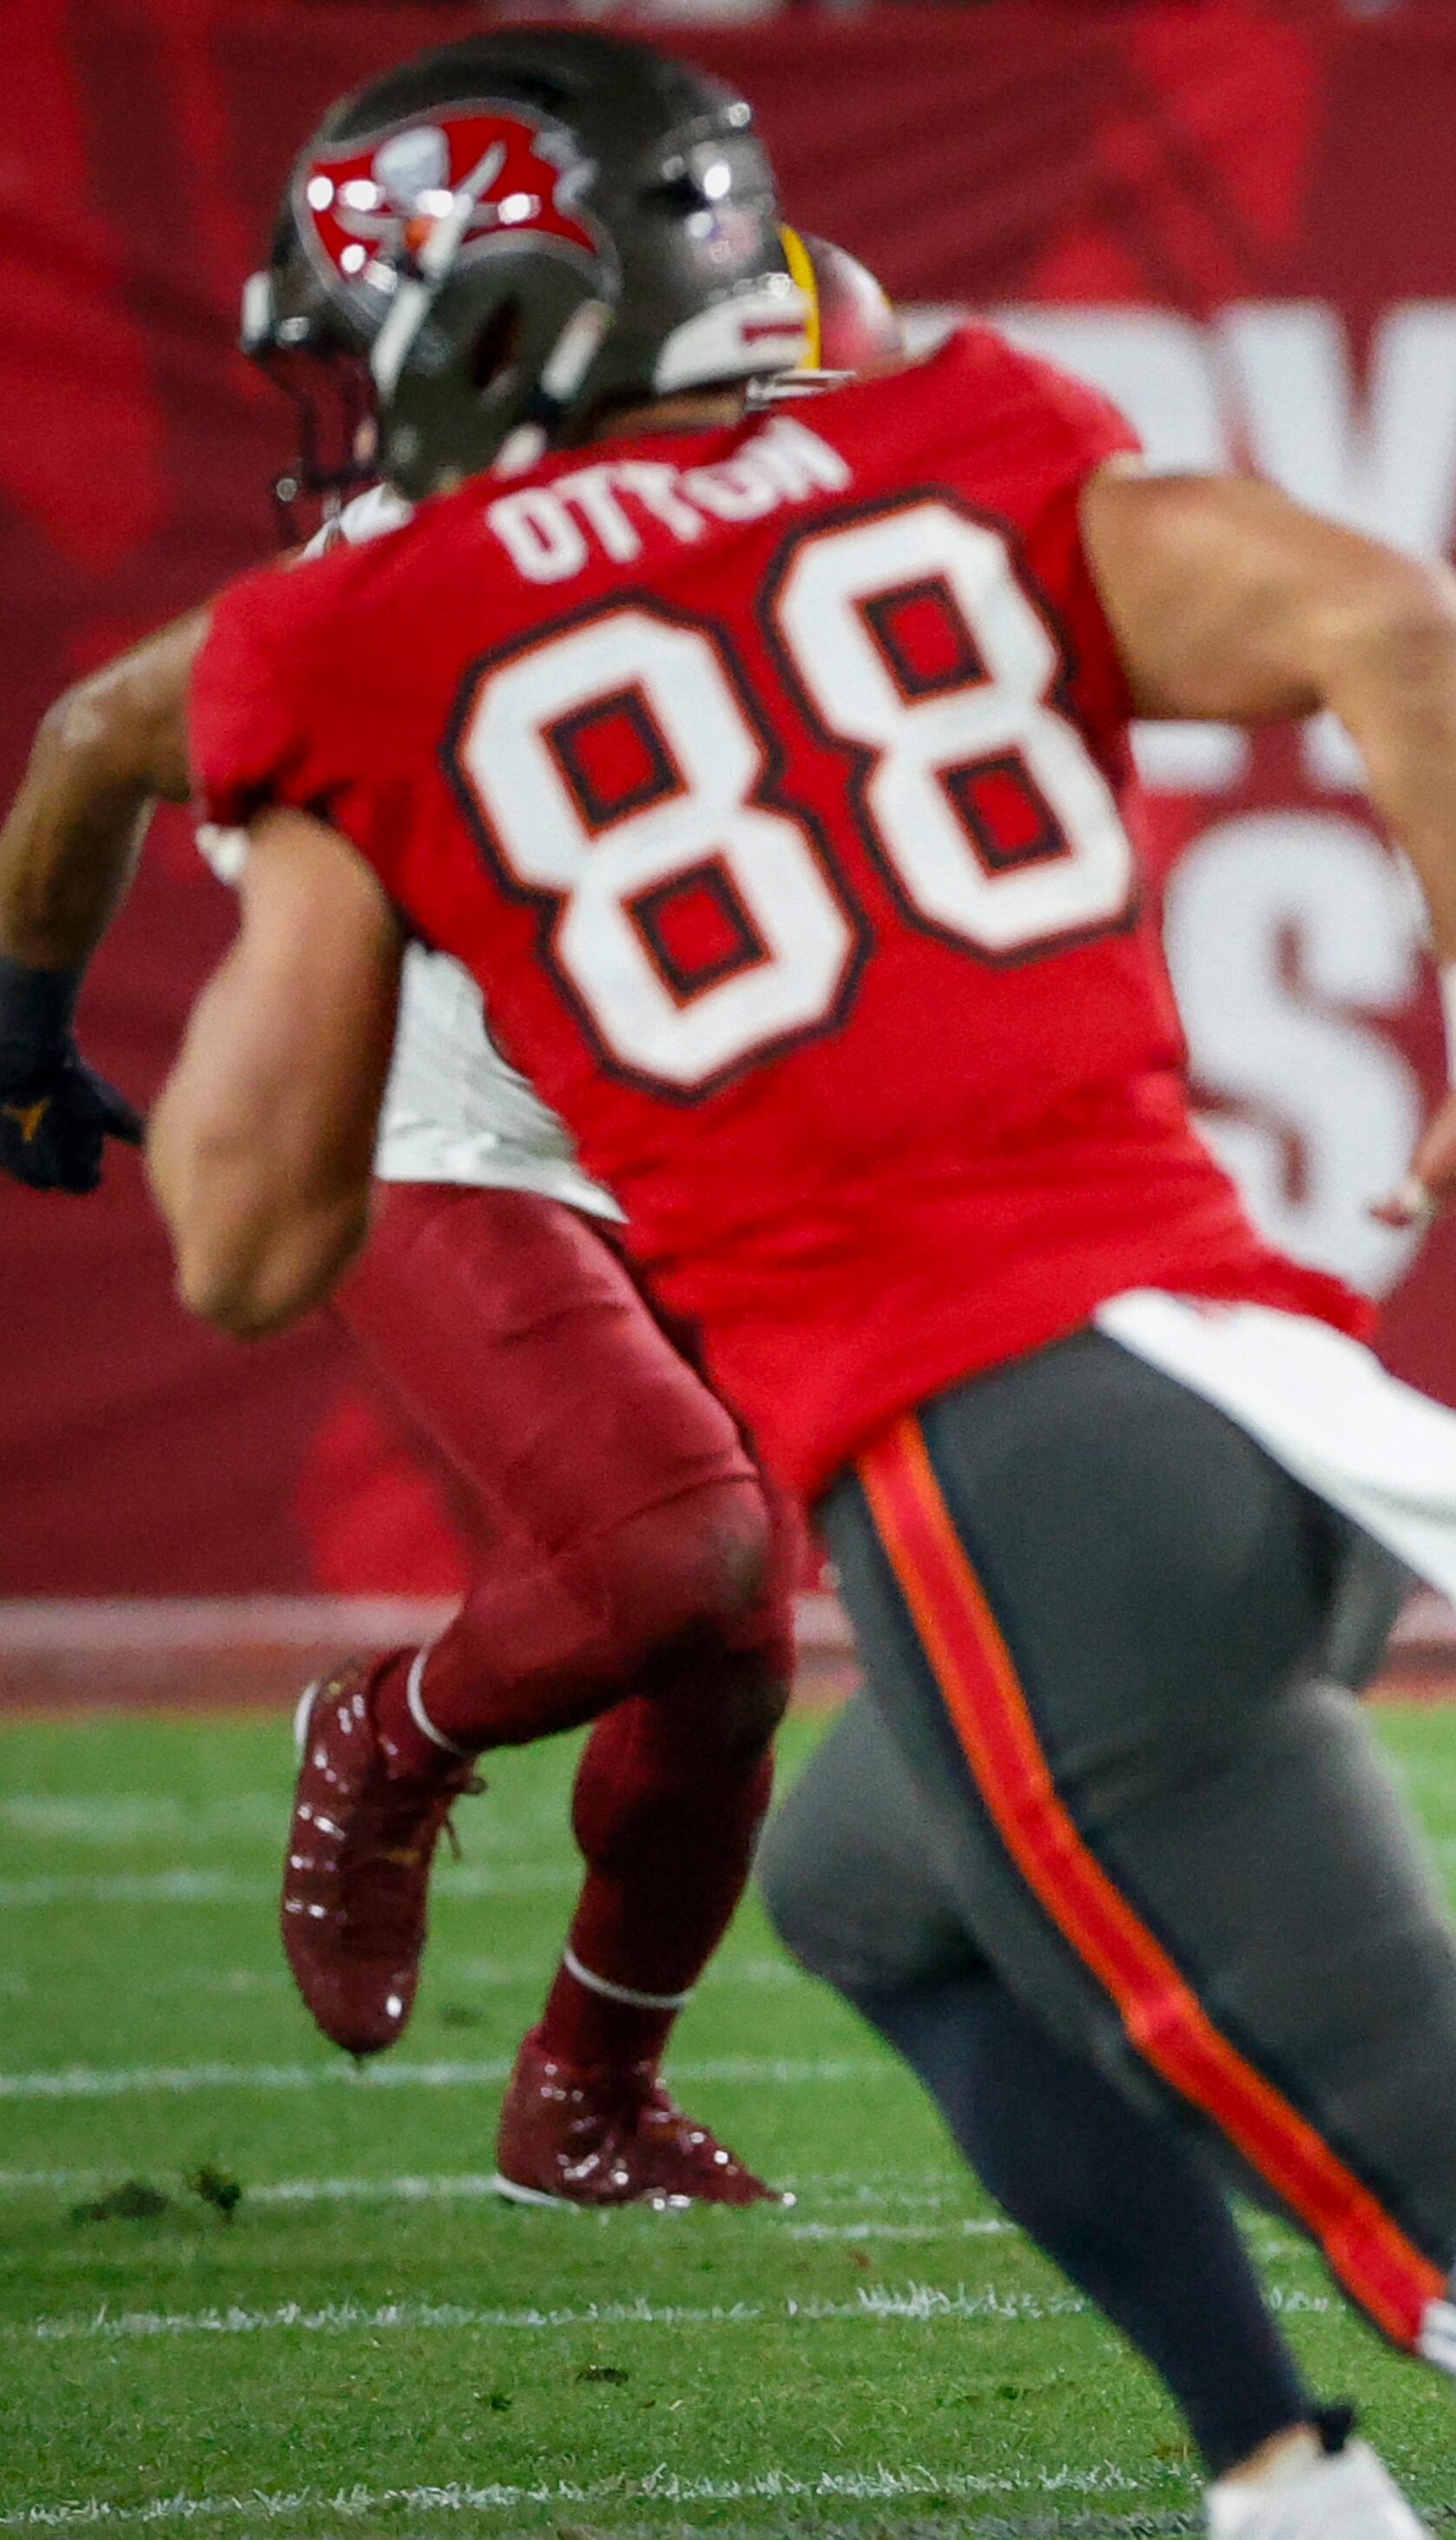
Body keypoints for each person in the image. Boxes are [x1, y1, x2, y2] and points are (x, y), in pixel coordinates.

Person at [148, 33, 1456, 2540]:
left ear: (471, 334)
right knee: (866, 1889)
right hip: (1229, 1393)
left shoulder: (366, 631)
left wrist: (281, 784)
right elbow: (1384, 612)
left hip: (1009, 1479)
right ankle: (1279, 2471)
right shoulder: (953, 424)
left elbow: (246, 1241)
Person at [0, 105, 900, 2205]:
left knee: (735, 1646)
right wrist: (24, 1028)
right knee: (689, 1553)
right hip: (426, 1110)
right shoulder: (401, 584)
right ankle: (389, 1733)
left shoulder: (851, 569)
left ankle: (585, 2092)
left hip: (670, 1122)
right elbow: (88, 747)